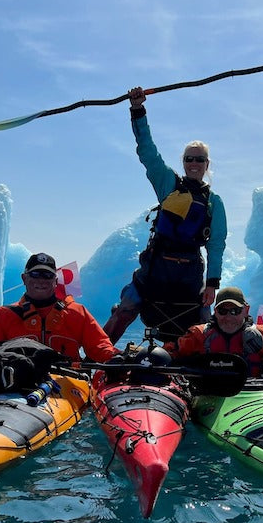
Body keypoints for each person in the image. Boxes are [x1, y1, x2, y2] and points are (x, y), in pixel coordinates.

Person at [102, 86, 228, 344]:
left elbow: (216, 245)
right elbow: (147, 152)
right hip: (156, 268)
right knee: (125, 309)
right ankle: (95, 359)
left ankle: (200, 372)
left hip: (189, 274)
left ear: (207, 164)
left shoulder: (214, 202)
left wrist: (212, 283)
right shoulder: (169, 185)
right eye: (190, 158)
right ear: (183, 161)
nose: (194, 163)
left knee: (203, 324)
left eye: (200, 159)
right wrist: (138, 110)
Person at [0, 252, 118, 370]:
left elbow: (100, 346)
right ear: (24, 278)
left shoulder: (77, 313)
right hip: (16, 383)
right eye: (35, 274)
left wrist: (116, 358)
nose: (41, 280)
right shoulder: (3, 315)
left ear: (55, 281)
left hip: (67, 387)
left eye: (47, 275)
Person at [164, 287, 263, 377]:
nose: (229, 317)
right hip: (206, 400)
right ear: (215, 312)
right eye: (223, 311)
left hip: (251, 404)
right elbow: (171, 352)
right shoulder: (199, 335)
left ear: (246, 310)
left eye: (235, 311)